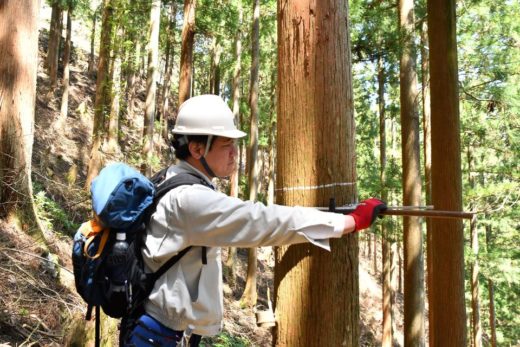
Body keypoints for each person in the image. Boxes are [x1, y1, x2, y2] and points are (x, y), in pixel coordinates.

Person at [125, 94, 386, 346]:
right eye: (227, 145)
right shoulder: (190, 200)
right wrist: (347, 222)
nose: (235, 154)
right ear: (196, 148)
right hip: (157, 334)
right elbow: (263, 221)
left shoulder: (170, 178)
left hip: (154, 326)